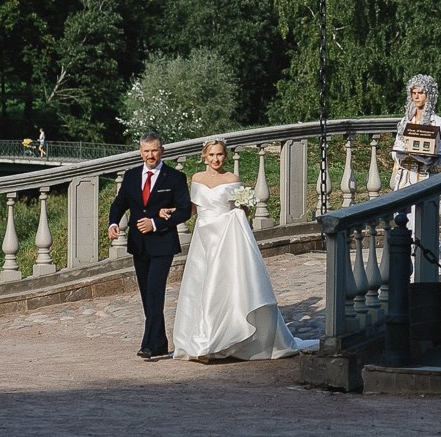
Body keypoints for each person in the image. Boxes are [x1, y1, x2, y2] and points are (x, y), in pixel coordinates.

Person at [168, 138, 316, 361]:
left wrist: (242, 209)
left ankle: (216, 342)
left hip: (226, 238)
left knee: (222, 286)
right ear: (204, 157)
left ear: (225, 156)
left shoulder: (232, 179)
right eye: (211, 155)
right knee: (200, 285)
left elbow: (240, 210)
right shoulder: (197, 179)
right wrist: (171, 211)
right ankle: (202, 339)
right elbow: (193, 209)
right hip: (204, 238)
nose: (216, 159)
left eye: (219, 155)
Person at [108, 133, 192, 360]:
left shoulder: (174, 177)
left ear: (162, 151)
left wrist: (155, 222)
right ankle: (160, 342)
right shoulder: (131, 176)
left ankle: (147, 344)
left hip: (163, 243)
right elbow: (119, 204)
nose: (150, 155)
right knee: (147, 294)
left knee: (155, 291)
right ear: (140, 152)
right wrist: (113, 223)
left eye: (154, 150)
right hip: (138, 244)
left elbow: (184, 210)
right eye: (146, 151)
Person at [390, 73, 441, 190]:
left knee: (423, 208)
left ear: (429, 96)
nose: (416, 97)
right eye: (414, 93)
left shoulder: (438, 122)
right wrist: (402, 156)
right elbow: (397, 146)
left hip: (426, 178)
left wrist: (431, 158)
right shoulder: (405, 121)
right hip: (405, 179)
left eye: (420, 93)